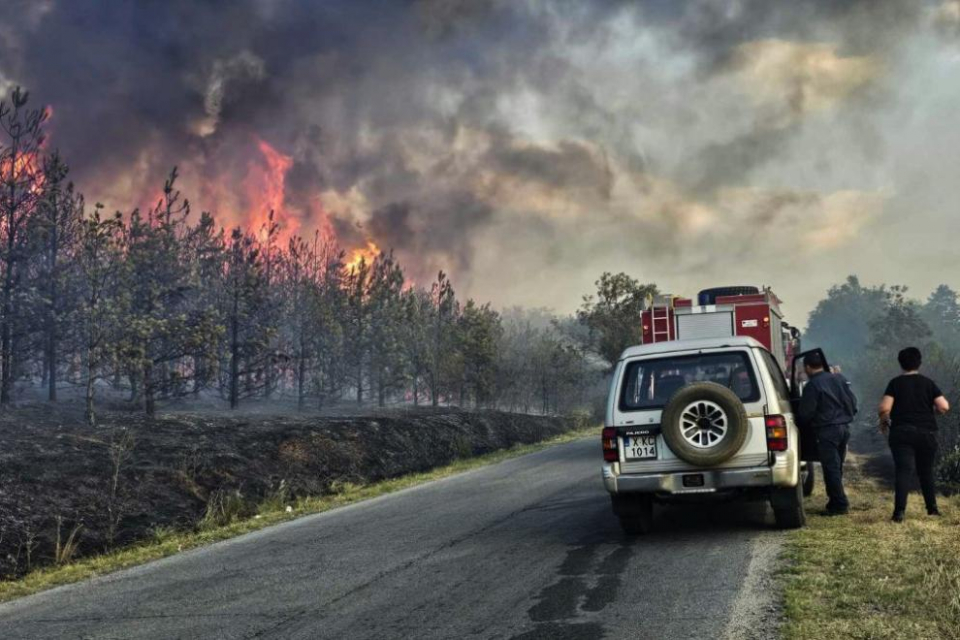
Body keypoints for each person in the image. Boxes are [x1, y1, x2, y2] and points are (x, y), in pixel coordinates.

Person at [877, 347, 950, 522]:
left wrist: (884, 420)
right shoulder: (928, 383)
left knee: (903, 471)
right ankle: (932, 509)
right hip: (927, 433)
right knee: (926, 471)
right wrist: (930, 412)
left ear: (900, 363)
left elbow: (884, 408)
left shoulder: (895, 383)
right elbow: (944, 406)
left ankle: (899, 513)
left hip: (901, 433)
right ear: (919, 362)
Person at [796, 351, 859, 516]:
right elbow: (853, 403)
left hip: (826, 431)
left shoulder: (813, 386)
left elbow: (805, 414)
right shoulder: (839, 379)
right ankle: (835, 501)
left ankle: (839, 504)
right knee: (836, 467)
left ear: (808, 367)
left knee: (831, 468)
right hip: (844, 429)